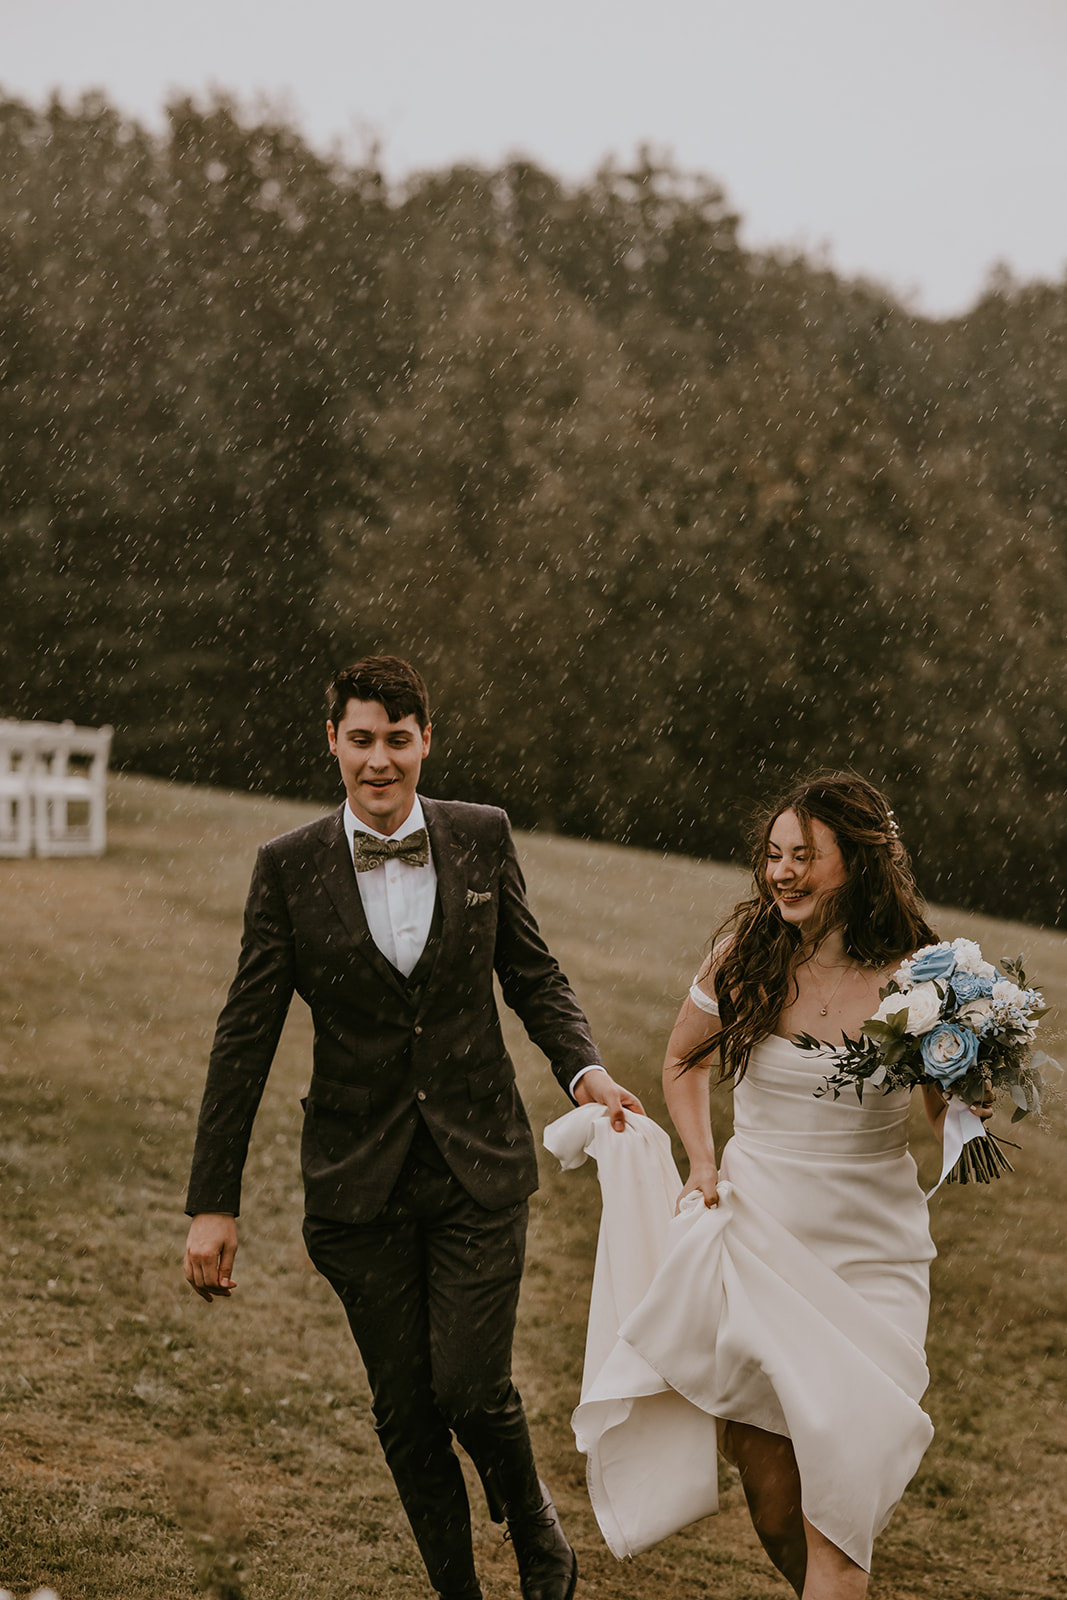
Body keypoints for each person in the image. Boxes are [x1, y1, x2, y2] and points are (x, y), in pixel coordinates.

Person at [183, 654, 643, 1600]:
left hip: (478, 1166)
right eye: (362, 740)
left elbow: (533, 974)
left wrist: (584, 1071)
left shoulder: (481, 837)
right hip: (357, 1184)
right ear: (332, 743)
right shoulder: (287, 868)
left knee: (471, 1388)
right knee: (405, 1412)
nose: (380, 761)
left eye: (398, 739)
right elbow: (244, 1039)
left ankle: (536, 1528)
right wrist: (211, 1204)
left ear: (426, 740)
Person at [658, 773, 991, 1600]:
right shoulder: (746, 955)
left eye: (804, 856)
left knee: (835, 1519)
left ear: (859, 862)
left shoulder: (921, 979)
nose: (782, 873)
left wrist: (972, 1082)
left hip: (870, 1258)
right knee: (776, 1510)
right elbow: (681, 1060)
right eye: (773, 856)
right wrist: (702, 1163)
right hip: (760, 1244)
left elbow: (935, 1110)